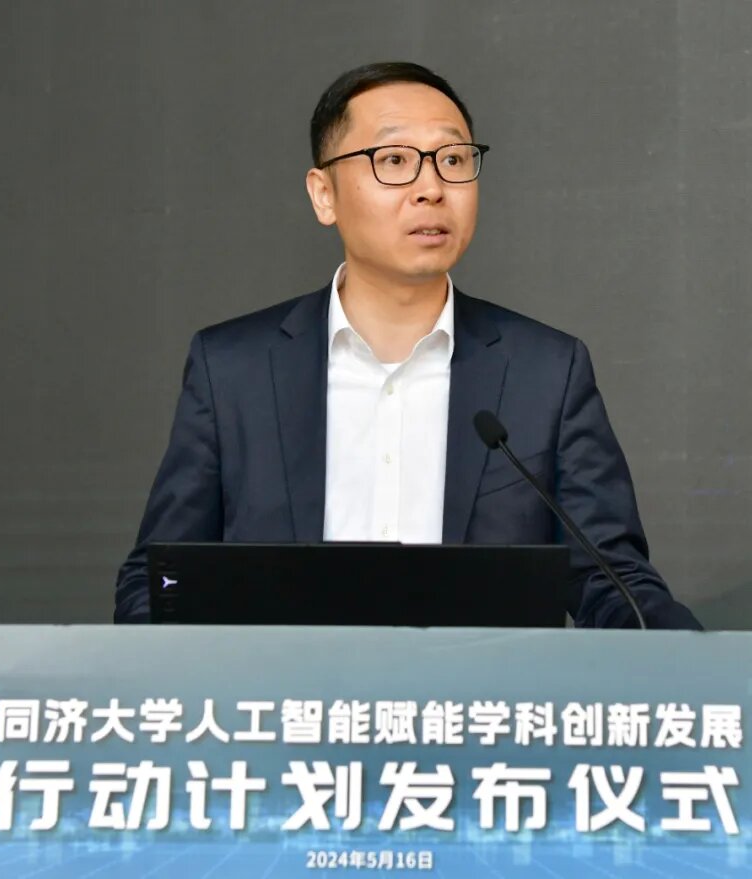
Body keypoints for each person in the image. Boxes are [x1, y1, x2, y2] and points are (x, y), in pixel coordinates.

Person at [115, 61, 700, 630]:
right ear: (324, 194)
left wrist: (695, 659)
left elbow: (612, 582)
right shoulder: (233, 370)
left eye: (453, 160)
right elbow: (157, 581)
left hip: (480, 695)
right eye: (394, 160)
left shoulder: (545, 372)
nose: (431, 189)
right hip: (285, 694)